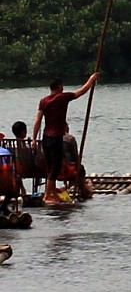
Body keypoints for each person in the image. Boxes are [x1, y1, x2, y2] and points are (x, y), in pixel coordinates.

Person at [34, 73, 95, 204]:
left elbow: (38, 120)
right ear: (59, 87)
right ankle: (48, 195)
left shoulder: (43, 101)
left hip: (45, 138)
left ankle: (50, 193)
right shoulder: (62, 97)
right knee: (55, 168)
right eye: (62, 85)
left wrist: (34, 139)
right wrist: (91, 80)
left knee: (50, 167)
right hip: (56, 137)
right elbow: (82, 91)